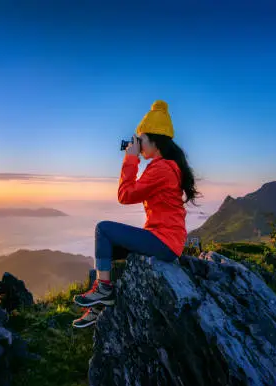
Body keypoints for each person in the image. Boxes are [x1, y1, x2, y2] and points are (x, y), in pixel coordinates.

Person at [72, 100, 201, 328]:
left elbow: (125, 194)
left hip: (164, 242)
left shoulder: (161, 169)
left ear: (153, 140)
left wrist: (130, 158)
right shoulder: (167, 166)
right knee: (108, 248)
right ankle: (99, 305)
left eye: (140, 140)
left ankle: (104, 291)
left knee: (103, 229)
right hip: (165, 239)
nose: (138, 144)